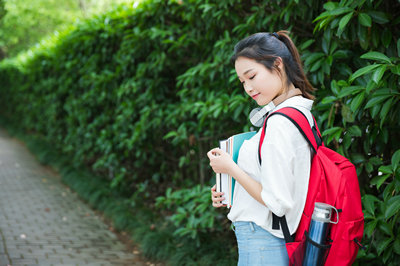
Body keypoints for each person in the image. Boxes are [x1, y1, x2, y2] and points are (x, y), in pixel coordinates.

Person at [207, 31, 316, 266]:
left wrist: (231, 168)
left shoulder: (279, 122)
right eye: (243, 81)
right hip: (266, 242)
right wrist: (231, 187)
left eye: (252, 76)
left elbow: (277, 201)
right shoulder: (298, 114)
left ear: (278, 64)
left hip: (264, 244)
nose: (247, 87)